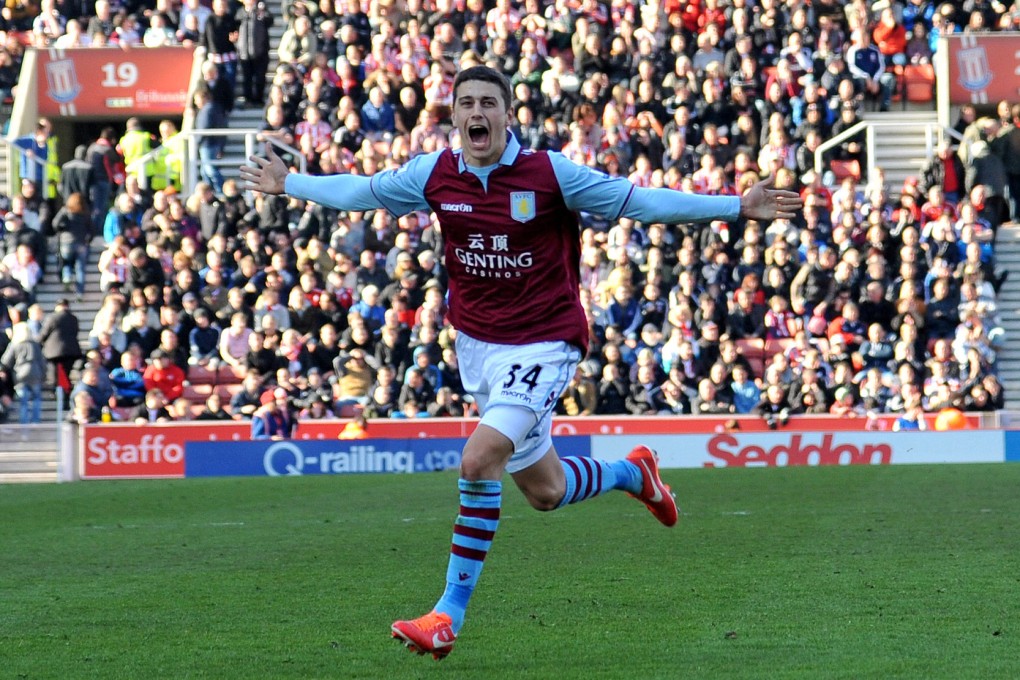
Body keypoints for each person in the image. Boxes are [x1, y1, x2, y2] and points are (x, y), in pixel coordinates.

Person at [240, 65, 802, 661]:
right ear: (453, 116)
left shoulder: (549, 173)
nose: (476, 113)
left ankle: (446, 615)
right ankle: (634, 473)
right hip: (479, 349)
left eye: (488, 102)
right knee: (546, 491)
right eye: (466, 104)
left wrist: (736, 206)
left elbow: (638, 204)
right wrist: (291, 184)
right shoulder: (434, 175)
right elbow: (361, 192)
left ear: (508, 113)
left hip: (544, 342)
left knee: (478, 459)